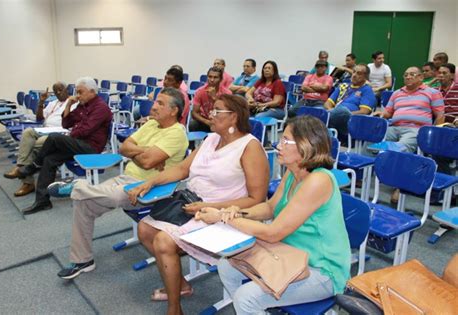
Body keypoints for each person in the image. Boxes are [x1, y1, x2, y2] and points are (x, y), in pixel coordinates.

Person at [129, 94, 269, 315]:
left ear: (233, 117)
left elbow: (256, 199)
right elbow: (182, 169)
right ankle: (181, 285)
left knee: (163, 241)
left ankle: (174, 309)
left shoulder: (249, 147)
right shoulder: (211, 139)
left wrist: (213, 207)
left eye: (216, 111)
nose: (209, 115)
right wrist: (150, 181)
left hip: (225, 214)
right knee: (145, 230)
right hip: (193, 204)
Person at [211, 116, 350, 314]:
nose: (278, 145)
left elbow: (273, 233)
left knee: (246, 299)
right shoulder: (294, 171)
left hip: (322, 270)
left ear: (306, 145)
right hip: (289, 255)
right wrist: (237, 211)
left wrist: (226, 218)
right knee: (226, 266)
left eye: (285, 140)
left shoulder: (318, 181)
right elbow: (269, 208)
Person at [54, 88, 189, 280]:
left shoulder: (177, 133)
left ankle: (77, 186)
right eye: (155, 102)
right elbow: (124, 147)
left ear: (174, 110)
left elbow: (147, 162)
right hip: (125, 178)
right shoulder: (151, 124)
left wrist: (141, 154)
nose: (154, 106)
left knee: (110, 195)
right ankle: (83, 260)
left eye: (160, 103)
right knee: (84, 203)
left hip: (150, 187)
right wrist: (145, 151)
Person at [18, 77, 113, 214]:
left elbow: (85, 130)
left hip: (90, 148)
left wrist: (69, 136)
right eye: (77, 92)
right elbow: (66, 123)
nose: (78, 96)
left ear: (92, 92)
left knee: (54, 138)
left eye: (81, 92)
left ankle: (34, 166)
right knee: (49, 159)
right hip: (78, 144)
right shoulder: (82, 105)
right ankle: (42, 201)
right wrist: (68, 105)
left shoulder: (101, 108)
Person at [372, 66, 444, 203]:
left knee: (401, 148)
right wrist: (380, 114)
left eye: (412, 74)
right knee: (372, 142)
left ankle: (399, 186)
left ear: (421, 77)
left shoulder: (432, 92)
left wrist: (432, 134)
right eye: (406, 75)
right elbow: (388, 112)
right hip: (394, 127)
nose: (408, 77)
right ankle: (358, 177)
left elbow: (440, 115)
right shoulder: (397, 93)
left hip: (416, 129)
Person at [4, 82, 70, 197]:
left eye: (61, 90)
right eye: (56, 91)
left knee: (31, 146)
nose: (58, 93)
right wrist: (41, 102)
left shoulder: (73, 103)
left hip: (58, 134)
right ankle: (21, 167)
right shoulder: (53, 103)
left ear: (67, 89)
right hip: (45, 129)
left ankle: (27, 181)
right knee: (27, 132)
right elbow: (40, 118)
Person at [325, 64, 376, 142]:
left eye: (358, 73)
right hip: (335, 116)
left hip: (351, 121)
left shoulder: (367, 90)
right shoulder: (343, 86)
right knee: (317, 109)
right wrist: (333, 112)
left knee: (342, 111)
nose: (354, 75)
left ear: (366, 77)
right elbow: (327, 104)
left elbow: (364, 111)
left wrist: (346, 113)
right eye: (354, 72)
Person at [190, 67, 232, 132]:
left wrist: (214, 98)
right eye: (210, 77)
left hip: (220, 120)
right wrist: (206, 121)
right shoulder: (200, 91)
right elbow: (194, 113)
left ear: (221, 79)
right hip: (205, 120)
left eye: (215, 77)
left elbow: (227, 113)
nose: (212, 80)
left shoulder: (227, 93)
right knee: (192, 124)